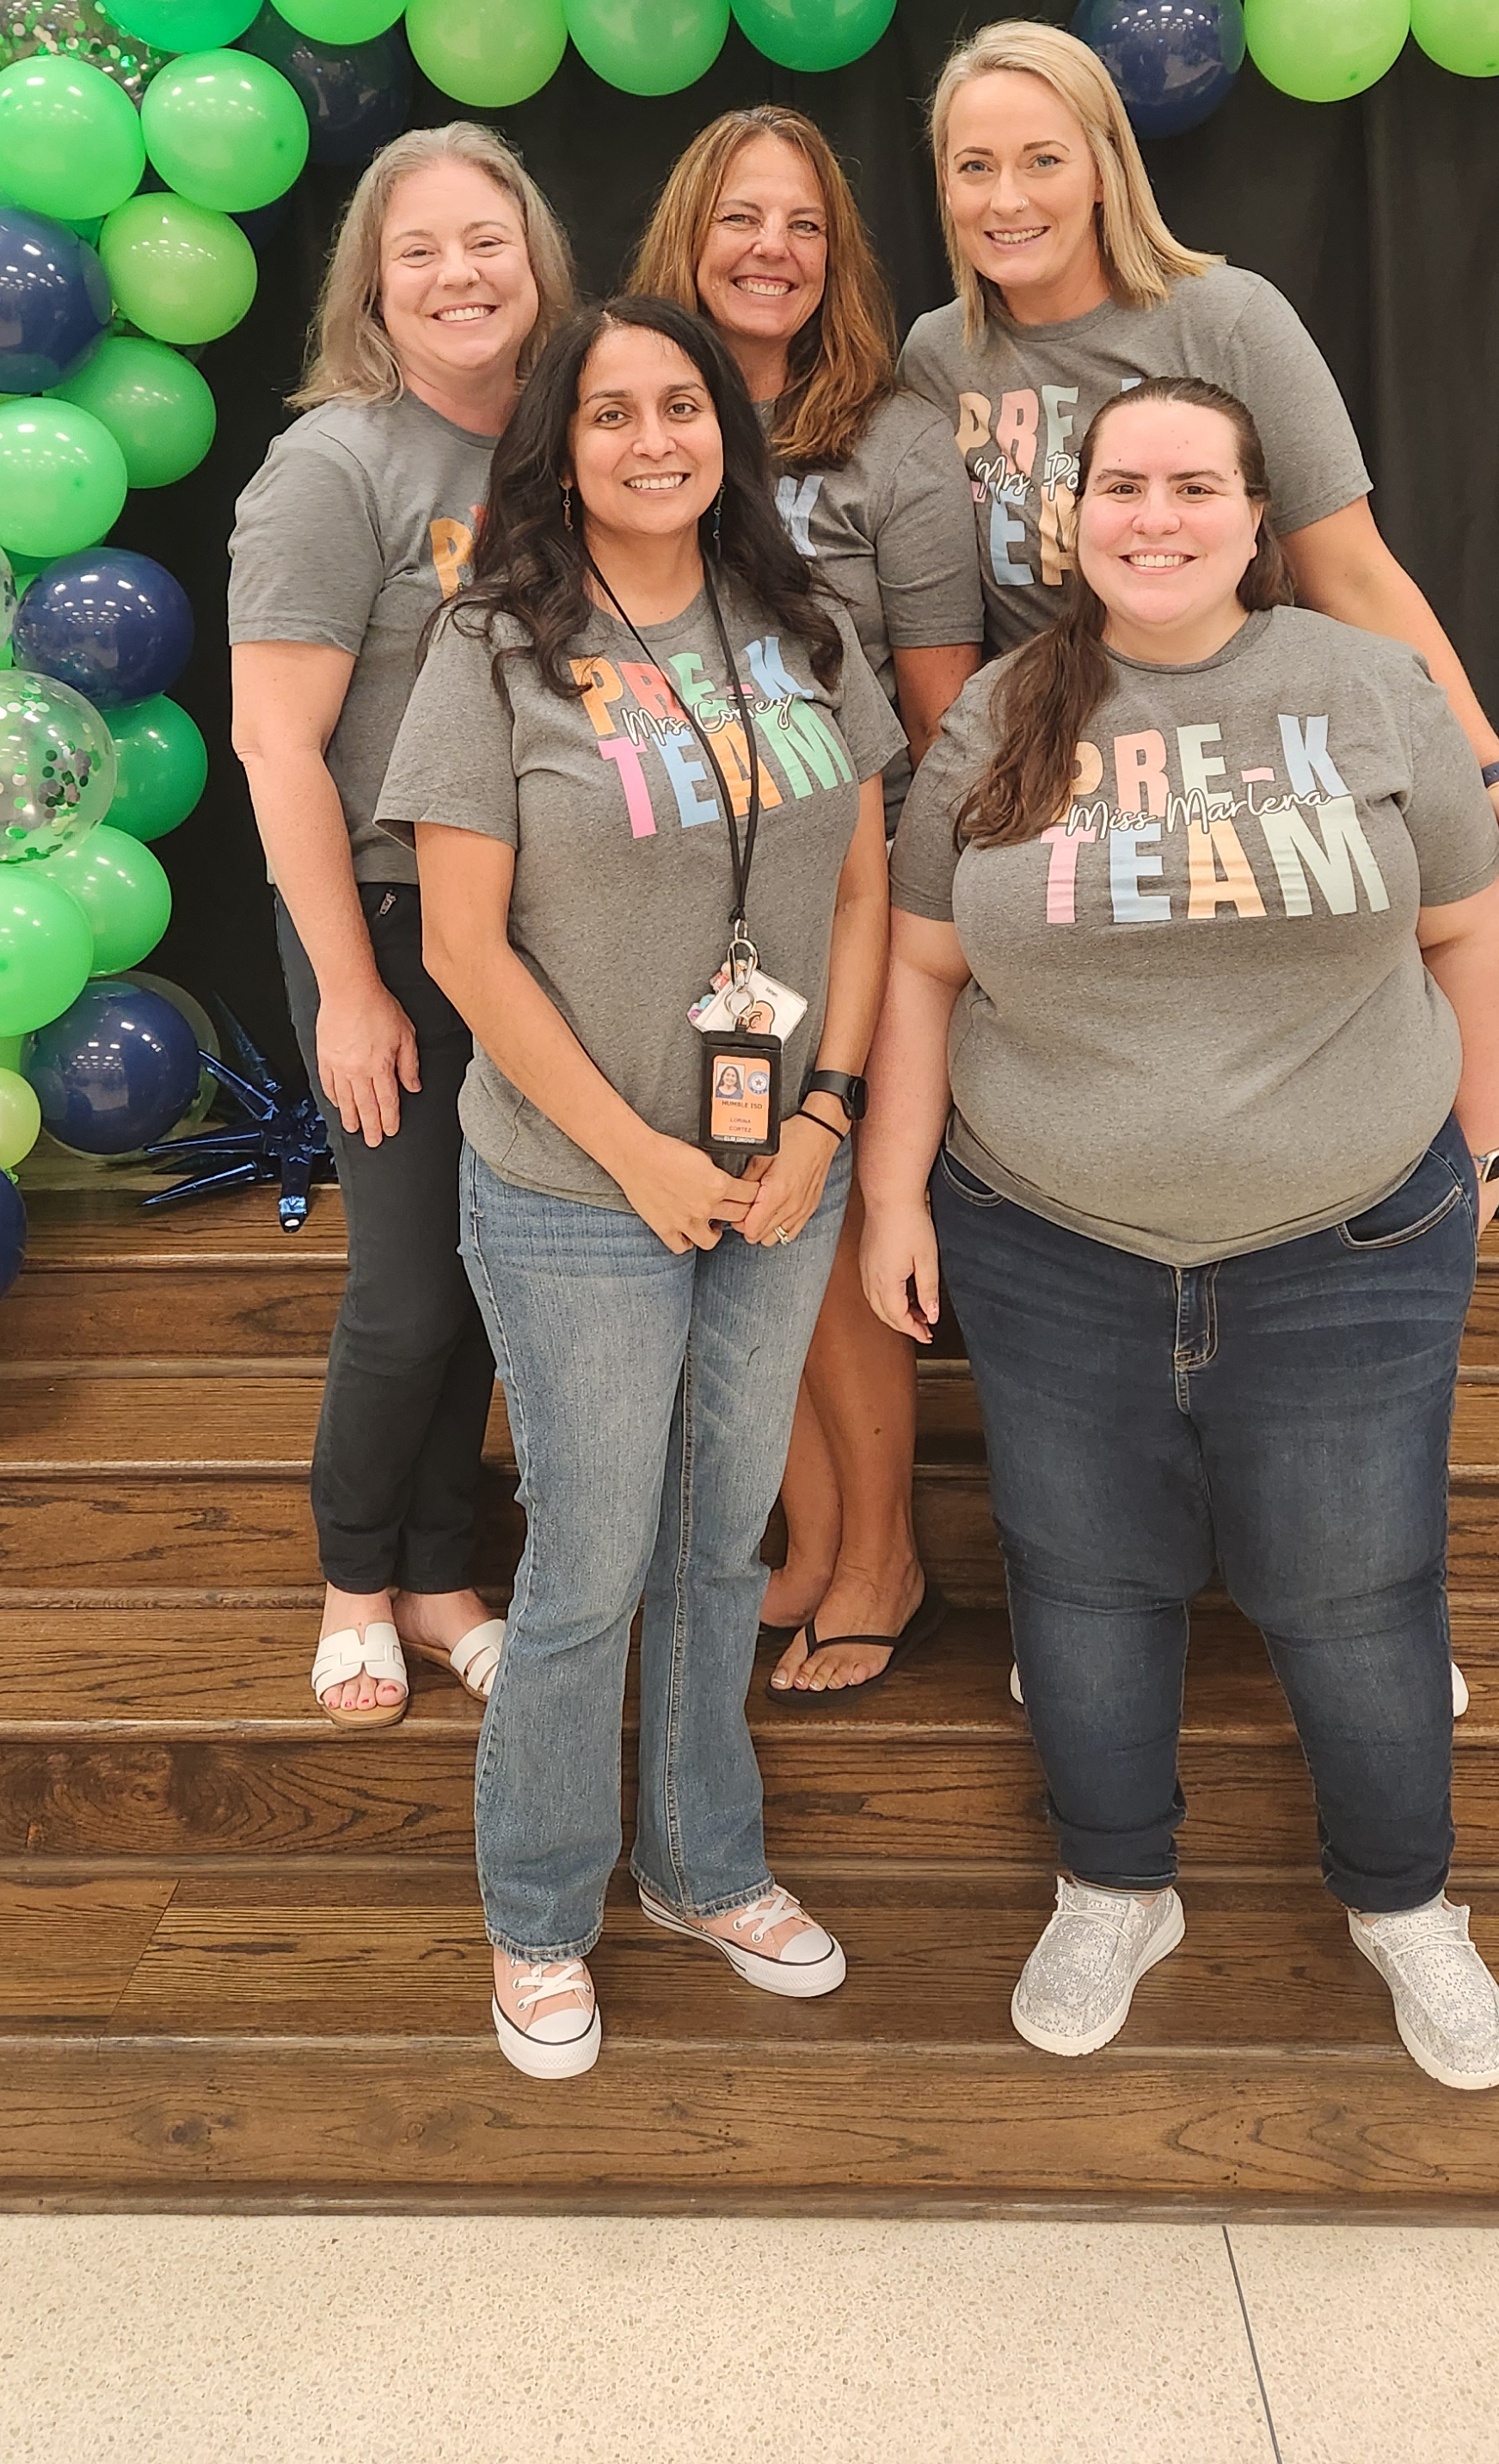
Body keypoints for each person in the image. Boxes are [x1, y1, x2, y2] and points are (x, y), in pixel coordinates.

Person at [863, 374, 1499, 2088]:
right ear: (1070, 518)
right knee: (1085, 1586)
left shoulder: (1372, 685)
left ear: (1253, 513)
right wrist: (887, 1195)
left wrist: (1486, 1142)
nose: (1158, 515)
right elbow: (925, 966)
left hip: (1350, 1243)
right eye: (1125, 486)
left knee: (1357, 1594)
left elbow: (1470, 924)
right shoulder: (1005, 706)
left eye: (1197, 484)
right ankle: (1115, 1882)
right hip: (1048, 1239)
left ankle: (1405, 1904)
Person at [382, 296, 902, 2080]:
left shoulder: (803, 623)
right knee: (592, 1560)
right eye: (613, 413)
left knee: (714, 1541)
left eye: (684, 405)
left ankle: (704, 1863)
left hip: (781, 1183)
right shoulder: (495, 641)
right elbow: (463, 945)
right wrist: (644, 1155)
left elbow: (854, 895)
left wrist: (822, 1122)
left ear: (726, 434)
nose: (655, 438)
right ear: (561, 441)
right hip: (574, 1185)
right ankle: (537, 1911)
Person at [899, 17, 1499, 917]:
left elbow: (1356, 576)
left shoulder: (1228, 320)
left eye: (1044, 160)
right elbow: (939, 622)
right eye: (974, 165)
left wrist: (1489, 768)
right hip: (1058, 767)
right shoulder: (939, 355)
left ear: (1104, 170)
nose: (1006, 198)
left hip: (1243, 757)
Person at [630, 108, 982, 1698]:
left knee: (828, 1227)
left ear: (837, 260)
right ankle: (817, 1539)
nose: (771, 250)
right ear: (688, 237)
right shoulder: (636, 403)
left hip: (852, 886)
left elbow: (939, 702)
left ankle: (885, 1555)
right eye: (740, 219)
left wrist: (906, 911)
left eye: (805, 227)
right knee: (747, 1220)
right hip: (679, 893)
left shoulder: (894, 440)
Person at [229, 122, 574, 1731]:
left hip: (529, 908)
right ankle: (355, 1579)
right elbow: (277, 744)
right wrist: (348, 991)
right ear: (375, 282)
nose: (457, 274)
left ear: (534, 255)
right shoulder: (335, 465)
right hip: (377, 911)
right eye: (419, 249)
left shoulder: (570, 437)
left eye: (483, 241)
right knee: (409, 1287)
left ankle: (446, 1580)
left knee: (493, 1270)